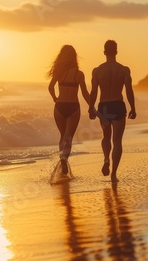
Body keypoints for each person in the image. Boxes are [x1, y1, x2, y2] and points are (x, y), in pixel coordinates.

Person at [88, 40, 136, 183]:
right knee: (117, 141)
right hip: (117, 105)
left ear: (104, 52)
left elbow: (94, 91)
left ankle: (105, 159)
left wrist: (91, 108)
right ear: (116, 52)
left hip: (104, 107)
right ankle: (113, 174)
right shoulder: (124, 70)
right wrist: (133, 107)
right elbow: (128, 90)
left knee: (106, 136)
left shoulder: (97, 71)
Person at [48, 45, 91, 175]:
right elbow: (84, 93)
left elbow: (50, 87)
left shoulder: (59, 73)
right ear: (74, 57)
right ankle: (64, 159)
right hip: (73, 107)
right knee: (69, 137)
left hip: (59, 107)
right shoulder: (79, 74)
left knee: (62, 136)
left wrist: (55, 98)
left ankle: (62, 157)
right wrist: (91, 106)